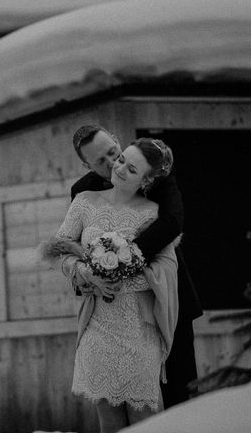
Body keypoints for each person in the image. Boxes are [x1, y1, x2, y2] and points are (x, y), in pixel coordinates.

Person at [70, 125, 203, 409]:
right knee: (122, 403)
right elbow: (75, 246)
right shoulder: (82, 192)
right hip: (114, 316)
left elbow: (172, 222)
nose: (110, 163)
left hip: (168, 298)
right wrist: (87, 277)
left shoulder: (156, 172)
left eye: (112, 152)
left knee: (179, 393)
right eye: (100, 161)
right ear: (86, 165)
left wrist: (122, 259)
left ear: (117, 141)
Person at [53, 138, 179, 433]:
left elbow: (167, 268)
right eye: (121, 159)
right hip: (99, 328)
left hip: (140, 330)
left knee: (144, 422)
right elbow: (59, 251)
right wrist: (88, 274)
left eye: (131, 168)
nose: (119, 168)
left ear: (146, 179)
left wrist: (127, 267)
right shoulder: (83, 201)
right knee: (109, 423)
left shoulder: (152, 214)